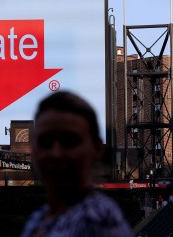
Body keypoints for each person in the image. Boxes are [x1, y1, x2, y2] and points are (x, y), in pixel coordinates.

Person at [20, 90, 134, 237]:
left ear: (97, 148)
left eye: (69, 141)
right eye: (45, 142)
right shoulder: (39, 217)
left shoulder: (98, 219)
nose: (56, 153)